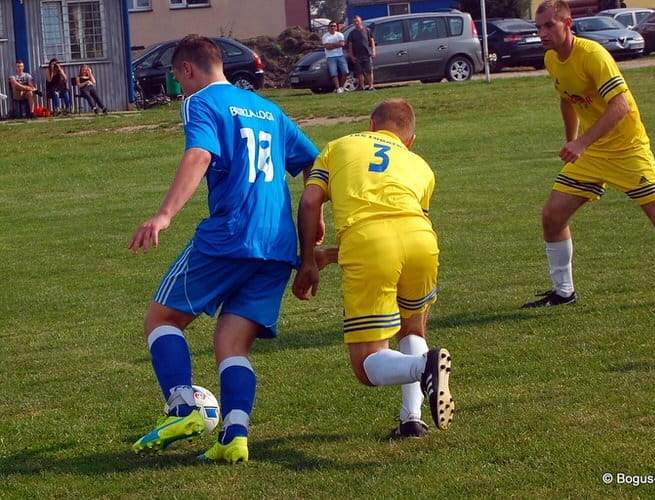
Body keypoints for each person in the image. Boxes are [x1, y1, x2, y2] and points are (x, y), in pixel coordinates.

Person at [129, 35, 322, 463]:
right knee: (232, 344)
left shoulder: (200, 103)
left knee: (162, 319)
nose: (179, 86)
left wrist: (164, 215)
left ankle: (182, 406)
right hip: (278, 244)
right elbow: (315, 161)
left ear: (187, 70)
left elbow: (199, 154)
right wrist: (315, 215)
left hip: (231, 234)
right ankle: (234, 436)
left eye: (177, 78)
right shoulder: (268, 108)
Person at [522, 0, 655, 308]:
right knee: (552, 216)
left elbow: (620, 105)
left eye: (549, 26)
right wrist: (573, 142)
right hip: (594, 152)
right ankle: (564, 293)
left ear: (568, 24)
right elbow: (567, 99)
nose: (542, 33)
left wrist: (580, 144)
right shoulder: (552, 59)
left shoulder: (593, 55)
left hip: (627, 148)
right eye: (538, 27)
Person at [293, 98, 454, 438]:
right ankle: (411, 419)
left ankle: (423, 367)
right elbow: (396, 224)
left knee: (367, 365)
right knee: (412, 330)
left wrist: (308, 258)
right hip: (422, 240)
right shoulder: (420, 165)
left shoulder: (340, 145)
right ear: (409, 139)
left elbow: (310, 201)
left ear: (371, 125)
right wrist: (332, 255)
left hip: (368, 242)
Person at [347, 16, 376, 91]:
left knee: (369, 71)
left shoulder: (367, 30)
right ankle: (362, 86)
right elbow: (350, 45)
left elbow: (372, 41)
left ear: (361, 21)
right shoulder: (352, 33)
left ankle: (371, 86)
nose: (356, 23)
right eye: (354, 22)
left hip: (367, 55)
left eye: (357, 21)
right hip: (357, 56)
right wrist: (352, 56)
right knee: (359, 72)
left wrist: (373, 51)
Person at [322, 21, 349, 94]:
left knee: (345, 72)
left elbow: (342, 44)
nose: (333, 27)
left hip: (340, 55)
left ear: (336, 27)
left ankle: (341, 87)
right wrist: (337, 44)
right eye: (331, 26)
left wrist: (332, 45)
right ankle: (337, 88)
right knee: (334, 73)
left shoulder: (340, 35)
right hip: (330, 57)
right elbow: (327, 47)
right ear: (328, 27)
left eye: (334, 26)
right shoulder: (325, 36)